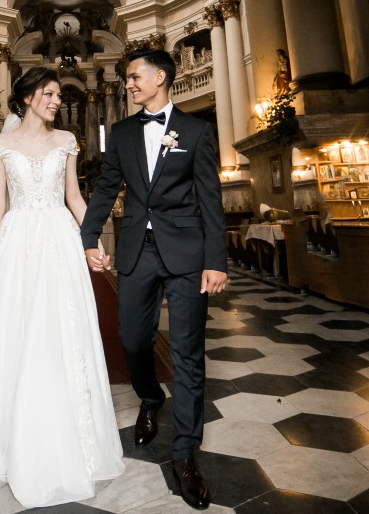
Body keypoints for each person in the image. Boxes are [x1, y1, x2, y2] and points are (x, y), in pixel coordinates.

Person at [0, 67, 124, 508]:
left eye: (57, 94)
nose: (57, 100)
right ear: (29, 97)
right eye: (49, 93)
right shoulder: (0, 144)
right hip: (16, 244)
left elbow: (73, 196)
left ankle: (67, 431)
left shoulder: (66, 141)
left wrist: (92, 239)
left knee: (59, 332)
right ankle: (13, 436)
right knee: (14, 330)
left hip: (58, 241)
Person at [80, 48, 228, 510]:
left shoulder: (197, 131)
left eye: (133, 76)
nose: (128, 83)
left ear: (160, 77)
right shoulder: (122, 133)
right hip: (136, 254)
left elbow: (210, 198)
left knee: (186, 353)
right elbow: (106, 189)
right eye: (126, 77)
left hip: (186, 254)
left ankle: (184, 454)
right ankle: (149, 398)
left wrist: (216, 261)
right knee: (133, 338)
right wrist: (88, 236)